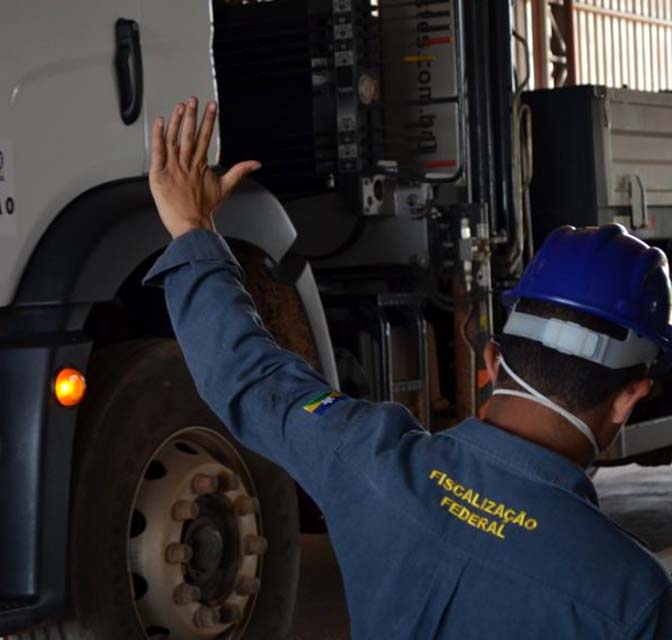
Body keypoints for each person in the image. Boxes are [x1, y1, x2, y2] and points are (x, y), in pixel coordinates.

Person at [143, 96, 672, 638]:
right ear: (628, 399)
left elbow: (247, 375)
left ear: (491, 360)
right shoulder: (632, 597)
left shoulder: (370, 459)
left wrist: (192, 229)